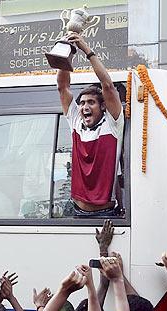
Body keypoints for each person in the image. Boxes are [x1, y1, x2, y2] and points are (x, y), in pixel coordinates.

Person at [56, 32, 124, 217]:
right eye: (83, 103)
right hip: (77, 212)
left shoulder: (113, 123)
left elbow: (107, 85)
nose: (85, 107)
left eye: (91, 103)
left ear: (103, 106)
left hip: (105, 214)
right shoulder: (77, 122)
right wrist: (67, 50)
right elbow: (63, 87)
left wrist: (86, 50)